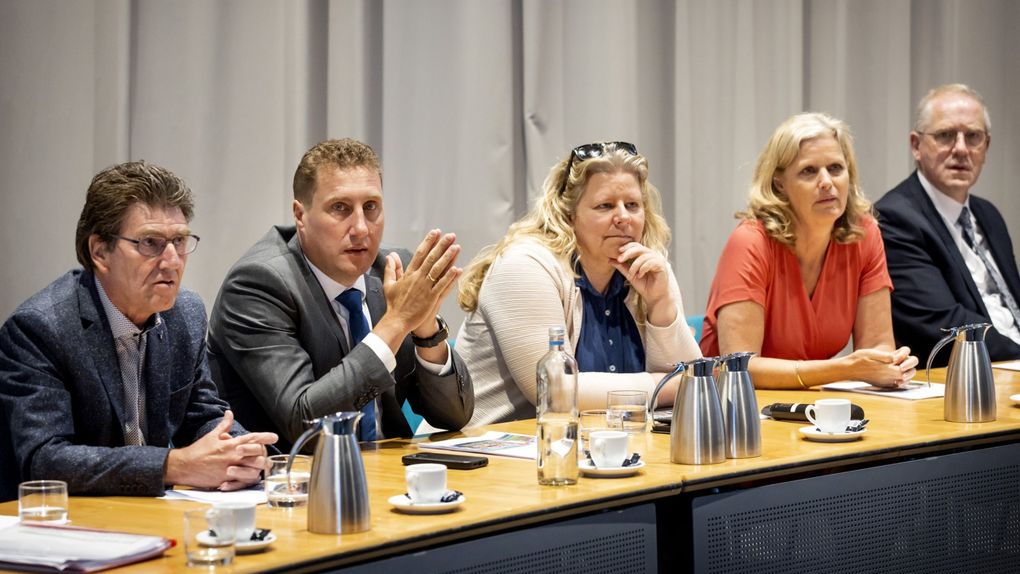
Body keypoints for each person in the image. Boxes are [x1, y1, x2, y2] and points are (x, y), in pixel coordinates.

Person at [0, 161, 277, 500]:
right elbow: (45, 460)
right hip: (67, 528)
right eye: (150, 242)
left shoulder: (184, 314)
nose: (173, 260)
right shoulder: (40, 329)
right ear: (100, 251)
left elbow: (202, 415)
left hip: (153, 518)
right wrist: (171, 466)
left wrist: (241, 450)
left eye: (179, 240)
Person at [207, 139, 473, 448]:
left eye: (370, 207)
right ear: (300, 215)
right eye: (340, 208)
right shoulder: (258, 285)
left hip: (389, 473)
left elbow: (454, 416)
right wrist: (397, 322)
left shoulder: (389, 270)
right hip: (291, 482)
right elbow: (306, 425)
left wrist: (426, 330)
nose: (360, 227)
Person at [456, 141, 702, 426]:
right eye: (605, 206)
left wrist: (661, 305)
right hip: (484, 454)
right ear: (569, 214)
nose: (623, 217)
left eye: (632, 205)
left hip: (595, 446)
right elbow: (552, 390)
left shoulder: (648, 265)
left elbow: (693, 381)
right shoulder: (524, 265)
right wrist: (666, 386)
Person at [700, 113, 919, 389]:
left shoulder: (864, 235)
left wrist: (890, 365)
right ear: (780, 183)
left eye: (836, 168)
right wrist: (845, 369)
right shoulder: (750, 242)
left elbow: (877, 346)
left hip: (811, 406)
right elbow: (741, 367)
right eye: (809, 171)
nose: (826, 181)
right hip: (734, 410)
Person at [876, 84, 1020, 365]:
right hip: (965, 378)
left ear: (986, 147)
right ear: (916, 146)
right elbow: (943, 324)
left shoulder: (988, 214)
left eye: (973, 137)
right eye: (945, 136)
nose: (961, 149)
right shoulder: (895, 218)